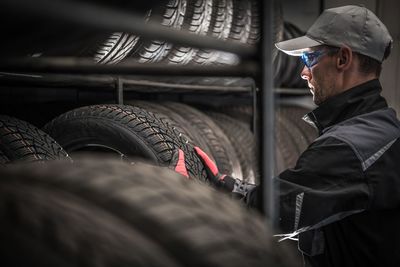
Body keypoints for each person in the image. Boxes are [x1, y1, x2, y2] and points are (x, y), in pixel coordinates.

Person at [172, 4, 400, 267]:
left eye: (309, 59)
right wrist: (225, 184)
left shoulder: (349, 147)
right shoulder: (381, 128)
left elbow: (272, 213)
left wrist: (196, 192)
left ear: (343, 59)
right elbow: (304, 198)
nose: (304, 72)